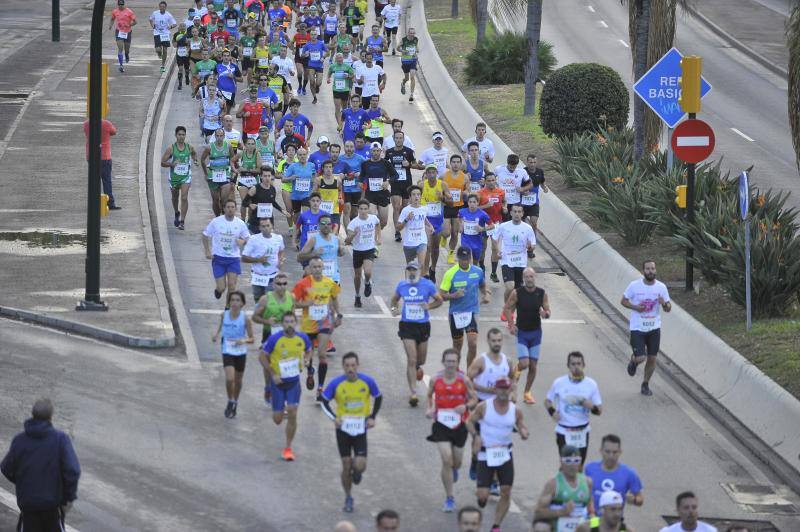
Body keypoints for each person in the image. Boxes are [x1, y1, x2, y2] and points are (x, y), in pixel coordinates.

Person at [1, 399, 81, 532]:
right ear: (50, 416)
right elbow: (73, 471)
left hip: (28, 506)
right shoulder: (60, 439)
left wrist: (24, 482)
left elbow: (6, 468)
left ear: (33, 415)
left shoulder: (20, 440)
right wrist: (68, 497)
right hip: (53, 507)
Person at [320, 352, 382, 513]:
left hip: (360, 429)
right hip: (343, 430)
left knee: (360, 465)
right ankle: (348, 497)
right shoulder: (336, 383)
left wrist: (372, 417)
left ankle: (357, 471)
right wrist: (334, 418)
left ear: (358, 366)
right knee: (346, 465)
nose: (350, 369)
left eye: (353, 365)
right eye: (347, 366)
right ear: (343, 367)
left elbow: (379, 397)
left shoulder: (367, 381)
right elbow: (323, 402)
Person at [465, 377, 529, 532]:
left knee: (506, 491)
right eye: (500, 388)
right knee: (482, 496)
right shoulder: (484, 407)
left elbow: (521, 425)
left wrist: (524, 432)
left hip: (505, 453)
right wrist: (476, 437)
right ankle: (482, 493)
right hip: (486, 454)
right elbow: (469, 421)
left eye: (506, 389)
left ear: (510, 391)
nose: (503, 392)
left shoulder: (515, 410)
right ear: (495, 390)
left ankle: (496, 526)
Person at [426, 348, 477, 512]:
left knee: (457, 461)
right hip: (441, 425)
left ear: (457, 363)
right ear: (443, 362)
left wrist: (466, 406)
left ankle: (455, 469)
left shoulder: (465, 380)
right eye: (448, 361)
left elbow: (474, 399)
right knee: (446, 460)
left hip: (459, 425)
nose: (450, 365)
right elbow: (429, 396)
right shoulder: (435, 379)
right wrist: (430, 409)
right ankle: (449, 498)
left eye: (453, 362)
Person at [260, 312, 312, 461]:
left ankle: (288, 448)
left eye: (292, 321)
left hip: (293, 382)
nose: (289, 324)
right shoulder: (275, 339)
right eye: (286, 322)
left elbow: (308, 350)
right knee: (277, 420)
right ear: (282, 324)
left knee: (293, 411)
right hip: (278, 383)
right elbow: (262, 356)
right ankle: (278, 405)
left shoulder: (303, 338)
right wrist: (272, 374)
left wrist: (307, 360)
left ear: (296, 323)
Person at [391, 260, 443, 405]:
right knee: (412, 359)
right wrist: (394, 310)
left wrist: (429, 306)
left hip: (423, 325)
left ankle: (417, 368)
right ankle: (413, 393)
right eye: (409, 270)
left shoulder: (427, 285)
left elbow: (439, 300)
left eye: (414, 270)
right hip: (407, 326)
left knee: (421, 360)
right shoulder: (402, 285)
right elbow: (394, 300)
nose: (412, 272)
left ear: (419, 271)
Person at [293, 256, 343, 401]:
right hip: (308, 325)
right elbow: (294, 303)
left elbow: (334, 298)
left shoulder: (329, 283)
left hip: (324, 323)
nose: (316, 270)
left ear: (323, 268)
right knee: (307, 359)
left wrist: (338, 315)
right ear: (309, 268)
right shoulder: (303, 284)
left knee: (322, 354)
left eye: (319, 267)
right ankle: (310, 371)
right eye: (313, 267)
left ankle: (320, 388)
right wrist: (306, 304)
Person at [621, 260, 671, 396]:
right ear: (643, 271)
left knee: (652, 358)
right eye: (648, 269)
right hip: (638, 327)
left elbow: (668, 308)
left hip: (654, 328)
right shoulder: (634, 286)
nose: (650, 271)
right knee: (641, 358)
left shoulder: (661, 287)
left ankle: (645, 384)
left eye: (653, 269)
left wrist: (664, 304)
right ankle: (634, 361)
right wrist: (636, 307)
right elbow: (623, 301)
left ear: (655, 270)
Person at [545, 351, 602, 464]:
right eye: (573, 364)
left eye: (579, 364)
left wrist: (591, 407)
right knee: (566, 465)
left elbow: (599, 411)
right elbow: (547, 401)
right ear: (568, 366)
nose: (576, 367)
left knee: (579, 465)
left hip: (582, 431)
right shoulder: (559, 383)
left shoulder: (591, 384)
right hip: (563, 430)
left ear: (583, 365)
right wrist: (552, 412)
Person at [503, 267, 550, 404]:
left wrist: (545, 314)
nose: (529, 279)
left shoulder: (542, 293)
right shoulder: (517, 293)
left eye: (531, 276)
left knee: (533, 366)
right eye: (526, 277)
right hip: (522, 333)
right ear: (523, 279)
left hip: (536, 333)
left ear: (535, 277)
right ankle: (514, 375)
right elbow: (507, 308)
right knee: (524, 363)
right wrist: (511, 324)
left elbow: (548, 311)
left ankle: (527, 393)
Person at [440, 246, 490, 367]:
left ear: (471, 258)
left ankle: (469, 373)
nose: (465, 261)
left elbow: (483, 285)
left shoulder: (477, 271)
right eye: (463, 259)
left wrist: (486, 294)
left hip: (472, 311)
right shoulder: (450, 274)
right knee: (457, 345)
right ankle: (456, 373)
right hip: (456, 312)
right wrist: (453, 295)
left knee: (473, 343)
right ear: (458, 258)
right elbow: (441, 295)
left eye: (467, 259)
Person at [211, 290, 255, 418]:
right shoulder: (223, 315)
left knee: (238, 380)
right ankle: (230, 400)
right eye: (232, 300)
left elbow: (252, 339)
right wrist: (216, 335)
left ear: (242, 303)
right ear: (229, 302)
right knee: (230, 379)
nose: (235, 303)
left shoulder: (245, 318)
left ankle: (235, 400)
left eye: (237, 300)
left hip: (240, 352)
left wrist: (244, 340)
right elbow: (219, 329)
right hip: (227, 350)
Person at [532, 445, 595, 532]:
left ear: (580, 463)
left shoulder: (587, 482)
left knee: (599, 524)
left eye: (576, 461)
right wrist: (561, 512)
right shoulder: (553, 484)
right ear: (561, 462)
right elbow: (538, 513)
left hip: (581, 527)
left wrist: (595, 524)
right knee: (541, 527)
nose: (572, 465)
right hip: (557, 526)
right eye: (568, 461)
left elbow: (591, 510)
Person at [584, 434, 643, 519]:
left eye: (615, 452)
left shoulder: (629, 473)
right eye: (607, 452)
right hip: (592, 518)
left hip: (615, 521)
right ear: (601, 450)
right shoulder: (589, 469)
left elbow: (640, 498)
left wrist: (634, 500)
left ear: (620, 452)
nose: (611, 456)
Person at [493, 204, 536, 322]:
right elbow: (495, 238)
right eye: (515, 211)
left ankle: (511, 313)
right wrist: (497, 251)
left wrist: (530, 247)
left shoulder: (527, 228)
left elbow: (532, 244)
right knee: (510, 286)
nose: (517, 214)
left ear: (522, 214)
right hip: (507, 261)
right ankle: (506, 308)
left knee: (517, 291)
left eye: (519, 212)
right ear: (511, 213)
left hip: (521, 263)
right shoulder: (503, 226)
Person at [202, 198, 250, 299]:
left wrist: (244, 241)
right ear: (224, 209)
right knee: (222, 287)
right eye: (228, 207)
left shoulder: (240, 223)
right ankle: (218, 290)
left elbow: (248, 238)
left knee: (232, 287)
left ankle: (228, 309)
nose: (230, 209)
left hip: (233, 259)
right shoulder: (216, 222)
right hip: (218, 258)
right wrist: (207, 251)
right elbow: (205, 235)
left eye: (232, 207)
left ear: (235, 209)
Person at [161, 126, 199, 230]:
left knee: (184, 197)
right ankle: (176, 212)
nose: (181, 137)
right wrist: (172, 164)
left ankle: (182, 221)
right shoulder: (171, 148)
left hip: (186, 176)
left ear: (185, 135)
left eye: (183, 135)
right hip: (174, 177)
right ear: (176, 135)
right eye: (179, 135)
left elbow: (194, 154)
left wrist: (195, 160)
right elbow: (162, 163)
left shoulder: (189, 147)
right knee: (175, 196)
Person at [346, 199, 382, 307]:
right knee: (357, 276)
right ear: (358, 210)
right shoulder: (353, 223)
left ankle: (367, 283)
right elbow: (347, 241)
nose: (363, 211)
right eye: (361, 209)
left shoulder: (373, 218)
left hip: (369, 249)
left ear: (368, 209)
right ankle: (357, 296)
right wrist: (353, 234)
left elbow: (378, 225)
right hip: (357, 251)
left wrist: (378, 238)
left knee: (367, 272)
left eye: (365, 209)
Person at [385, 130, 419, 241]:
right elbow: (384, 166)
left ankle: (402, 225)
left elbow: (416, 164)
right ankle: (397, 231)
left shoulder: (408, 151)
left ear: (403, 139)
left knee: (404, 208)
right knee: (396, 207)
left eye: (401, 138)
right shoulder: (389, 152)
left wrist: (409, 164)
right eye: (397, 138)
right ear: (394, 139)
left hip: (406, 183)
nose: (399, 140)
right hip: (395, 183)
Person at [241, 217, 285, 300]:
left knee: (269, 301)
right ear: (260, 228)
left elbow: (281, 250)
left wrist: (280, 260)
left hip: (272, 276)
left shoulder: (278, 238)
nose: (266, 228)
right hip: (257, 276)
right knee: (258, 301)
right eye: (263, 226)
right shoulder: (253, 239)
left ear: (272, 226)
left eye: (268, 225)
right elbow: (243, 258)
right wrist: (258, 260)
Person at [84, 117, 122, 211]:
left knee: (94, 181)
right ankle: (110, 203)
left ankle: (93, 203)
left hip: (91, 156)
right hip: (104, 156)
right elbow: (114, 132)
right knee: (106, 180)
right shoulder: (107, 124)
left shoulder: (86, 124)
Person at [298, 213, 345, 286]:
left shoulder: (336, 239)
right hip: (317, 279)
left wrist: (342, 250)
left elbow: (341, 254)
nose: (326, 226)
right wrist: (314, 254)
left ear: (331, 225)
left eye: (328, 224)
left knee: (333, 297)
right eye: (323, 223)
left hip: (334, 278)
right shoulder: (313, 239)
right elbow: (299, 258)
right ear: (319, 225)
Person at [420, 163, 449, 281]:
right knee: (427, 246)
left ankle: (433, 268)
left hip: (437, 219)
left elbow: (450, 201)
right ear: (426, 174)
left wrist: (442, 197)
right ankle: (425, 271)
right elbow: (414, 198)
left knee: (435, 248)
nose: (431, 175)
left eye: (433, 172)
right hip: (426, 220)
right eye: (429, 173)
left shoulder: (442, 185)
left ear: (437, 173)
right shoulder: (422, 185)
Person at [360, 141, 397, 230]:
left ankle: (378, 230)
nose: (375, 153)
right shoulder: (365, 164)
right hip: (370, 194)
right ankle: (373, 236)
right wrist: (360, 182)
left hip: (383, 194)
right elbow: (362, 176)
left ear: (381, 151)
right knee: (372, 218)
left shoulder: (386, 163)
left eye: (377, 151)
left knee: (384, 222)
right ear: (370, 151)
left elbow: (395, 175)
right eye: (374, 151)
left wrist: (388, 181)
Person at [200, 128, 235, 216]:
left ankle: (224, 214)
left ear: (224, 136)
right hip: (213, 176)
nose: (219, 138)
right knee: (215, 200)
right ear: (215, 136)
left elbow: (233, 159)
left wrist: (233, 172)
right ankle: (217, 217)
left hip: (225, 175)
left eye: (221, 136)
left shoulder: (228, 146)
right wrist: (206, 174)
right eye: (217, 136)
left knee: (224, 199)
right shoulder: (209, 147)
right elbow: (202, 160)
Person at [478, 173, 506, 282]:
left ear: (495, 180)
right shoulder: (479, 193)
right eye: (488, 180)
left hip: (496, 223)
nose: (490, 182)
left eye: (492, 180)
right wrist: (485, 206)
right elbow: (475, 208)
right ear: (485, 181)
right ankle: (482, 270)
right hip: (484, 223)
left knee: (495, 248)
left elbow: (504, 201)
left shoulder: (501, 191)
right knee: (483, 248)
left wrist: (504, 208)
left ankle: (493, 273)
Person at [396, 185, 433, 267]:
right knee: (411, 268)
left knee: (421, 265)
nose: (416, 197)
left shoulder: (424, 209)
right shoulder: (406, 210)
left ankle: (420, 278)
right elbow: (398, 227)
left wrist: (430, 226)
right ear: (410, 197)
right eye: (414, 194)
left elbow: (424, 218)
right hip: (409, 243)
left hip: (421, 241)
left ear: (420, 196)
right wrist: (406, 219)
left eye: (418, 194)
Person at [442, 155, 469, 264]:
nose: (456, 164)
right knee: (446, 232)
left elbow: (468, 189)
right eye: (453, 162)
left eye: (458, 162)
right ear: (450, 163)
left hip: (458, 207)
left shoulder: (465, 177)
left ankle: (451, 254)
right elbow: (438, 186)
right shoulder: (444, 175)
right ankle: (443, 237)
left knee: (455, 233)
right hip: (446, 206)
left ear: (461, 164)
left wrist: (466, 192)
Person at [244, 166, 285, 233]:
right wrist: (249, 205)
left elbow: (272, 202)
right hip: (256, 223)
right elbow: (244, 202)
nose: (267, 178)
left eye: (269, 176)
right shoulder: (254, 188)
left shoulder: (273, 189)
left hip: (269, 222)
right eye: (265, 176)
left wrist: (282, 210)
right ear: (261, 177)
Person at [458, 194, 493, 267]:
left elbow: (492, 226)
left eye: (474, 202)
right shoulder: (462, 211)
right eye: (470, 202)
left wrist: (482, 229)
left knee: (475, 263)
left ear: (477, 203)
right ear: (467, 203)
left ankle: (474, 274)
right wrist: (460, 226)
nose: (472, 204)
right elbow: (460, 221)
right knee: (467, 261)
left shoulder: (482, 214)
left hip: (477, 242)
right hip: (465, 241)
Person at [522, 154, 549, 233]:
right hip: (523, 202)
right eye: (530, 162)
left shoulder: (540, 171)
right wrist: (523, 191)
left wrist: (545, 188)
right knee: (522, 223)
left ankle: (533, 237)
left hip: (534, 202)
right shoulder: (523, 171)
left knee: (534, 222)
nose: (532, 164)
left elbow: (542, 182)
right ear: (527, 162)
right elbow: (517, 184)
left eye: (534, 162)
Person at [109, 0, 137, 72]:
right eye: (119, 5)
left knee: (126, 49)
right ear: (118, 5)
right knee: (120, 49)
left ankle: (127, 55)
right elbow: (112, 19)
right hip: (119, 32)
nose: (121, 6)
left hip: (127, 32)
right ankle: (121, 65)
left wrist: (129, 24)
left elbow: (135, 22)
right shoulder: (115, 11)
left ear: (124, 4)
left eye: (122, 5)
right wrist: (110, 25)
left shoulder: (129, 12)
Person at [149, 1, 177, 73]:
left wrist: (170, 26)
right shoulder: (155, 13)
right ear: (159, 7)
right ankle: (159, 53)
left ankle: (162, 65)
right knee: (158, 49)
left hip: (165, 34)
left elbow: (175, 24)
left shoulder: (168, 15)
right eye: (161, 6)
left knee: (165, 50)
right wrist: (152, 25)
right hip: (157, 33)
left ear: (165, 7)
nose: (162, 8)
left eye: (163, 7)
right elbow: (150, 19)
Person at [398, 27, 418, 102]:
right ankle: (403, 83)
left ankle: (411, 94)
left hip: (413, 60)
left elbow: (416, 46)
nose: (412, 34)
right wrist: (403, 51)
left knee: (412, 76)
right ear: (408, 33)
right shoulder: (403, 40)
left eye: (413, 33)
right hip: (405, 61)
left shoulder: (416, 39)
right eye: (411, 33)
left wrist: (417, 50)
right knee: (407, 78)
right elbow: (397, 48)